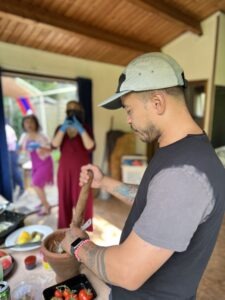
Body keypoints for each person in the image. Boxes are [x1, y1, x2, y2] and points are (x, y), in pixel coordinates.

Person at [61, 52, 225, 300]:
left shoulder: (186, 175)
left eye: (129, 109)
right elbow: (155, 201)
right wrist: (104, 182)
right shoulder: (180, 150)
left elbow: (127, 271)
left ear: (157, 102)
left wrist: (77, 245)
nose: (128, 119)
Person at [51, 100, 95, 229]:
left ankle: (83, 231)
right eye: (69, 110)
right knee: (64, 201)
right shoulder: (60, 128)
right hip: (64, 171)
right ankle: (64, 231)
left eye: (75, 109)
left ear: (80, 112)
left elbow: (90, 146)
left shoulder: (86, 128)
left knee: (83, 202)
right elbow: (54, 145)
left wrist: (80, 129)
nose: (72, 112)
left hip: (82, 172)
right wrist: (63, 129)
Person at [19, 114, 53, 215]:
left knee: (35, 184)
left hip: (45, 162)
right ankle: (43, 202)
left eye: (31, 122)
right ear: (24, 125)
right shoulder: (24, 136)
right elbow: (21, 149)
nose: (29, 124)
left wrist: (40, 146)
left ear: (36, 124)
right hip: (34, 164)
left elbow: (51, 149)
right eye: (26, 122)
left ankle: (46, 206)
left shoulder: (41, 135)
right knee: (39, 186)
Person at [5, 122, 24, 198]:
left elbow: (9, 142)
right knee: (10, 172)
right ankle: (13, 187)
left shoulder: (7, 129)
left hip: (11, 152)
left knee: (14, 170)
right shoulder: (7, 128)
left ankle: (22, 187)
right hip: (9, 152)